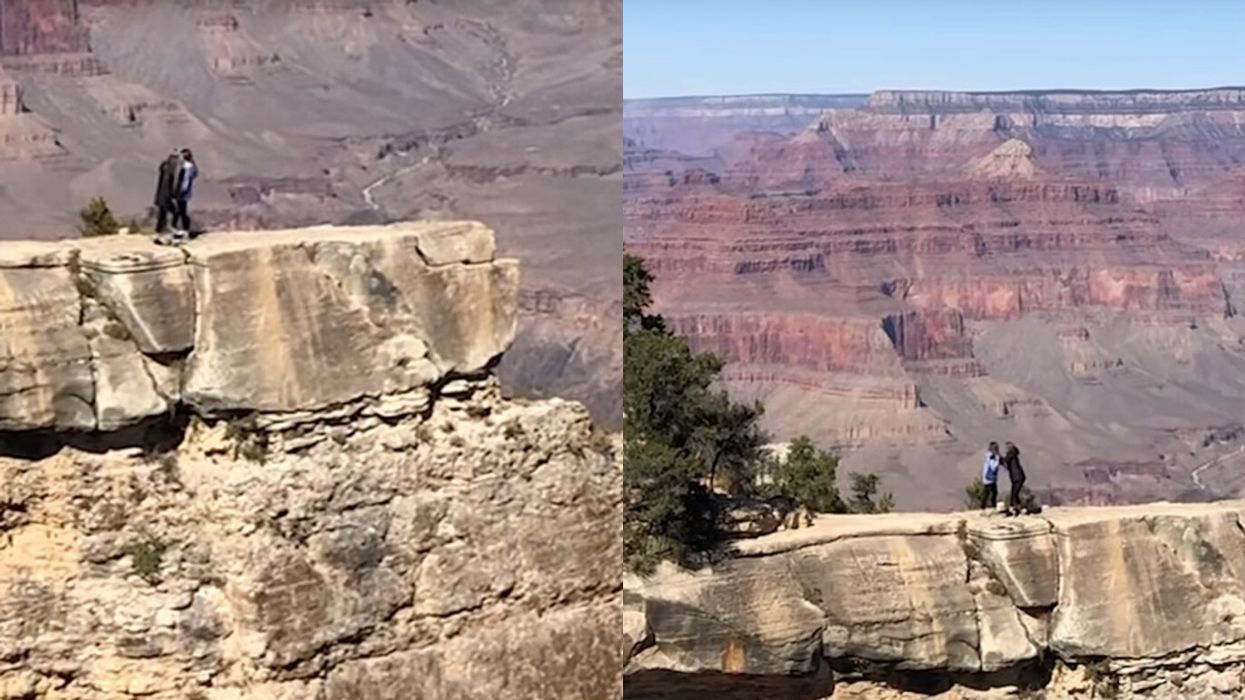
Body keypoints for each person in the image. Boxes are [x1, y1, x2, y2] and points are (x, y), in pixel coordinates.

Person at [172, 148, 198, 241]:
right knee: (181, 211)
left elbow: (185, 181)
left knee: (180, 211)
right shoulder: (189, 166)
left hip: (182, 193)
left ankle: (182, 230)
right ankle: (183, 229)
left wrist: (180, 191)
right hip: (184, 193)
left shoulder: (187, 167)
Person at [153, 151, 180, 235]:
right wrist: (172, 195)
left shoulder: (165, 168)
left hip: (161, 197)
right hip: (165, 197)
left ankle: (159, 231)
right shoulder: (169, 170)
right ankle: (170, 229)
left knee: (162, 215)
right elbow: (167, 184)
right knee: (174, 212)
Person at [1003, 442, 1027, 516]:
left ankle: (1017, 508)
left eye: (1007, 447)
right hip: (1017, 477)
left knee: (1014, 493)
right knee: (1014, 493)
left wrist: (998, 458)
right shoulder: (1013, 454)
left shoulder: (1011, 453)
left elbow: (1005, 461)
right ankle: (1017, 508)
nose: (1005, 449)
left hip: (1017, 477)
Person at [980, 441, 1000, 511]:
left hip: (987, 477)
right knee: (991, 493)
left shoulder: (987, 455)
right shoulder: (992, 457)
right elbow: (993, 467)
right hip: (990, 478)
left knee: (989, 492)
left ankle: (984, 506)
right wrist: (997, 460)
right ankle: (990, 506)